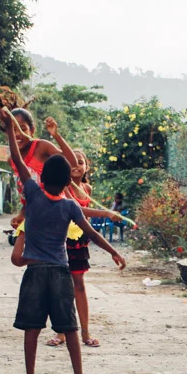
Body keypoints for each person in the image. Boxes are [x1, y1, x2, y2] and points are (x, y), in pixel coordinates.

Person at [0, 106, 125, 374]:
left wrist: (8, 130)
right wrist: (113, 252)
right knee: (69, 328)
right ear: (68, 183)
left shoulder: (31, 194)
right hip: (59, 272)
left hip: (34, 273)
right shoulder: (69, 205)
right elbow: (91, 232)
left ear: (40, 178)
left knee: (33, 328)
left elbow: (18, 159)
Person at [45, 145, 121, 349]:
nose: (76, 165)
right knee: (61, 287)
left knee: (79, 285)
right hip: (62, 239)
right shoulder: (64, 187)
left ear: (87, 167)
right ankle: (60, 332)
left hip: (79, 241)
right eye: (72, 161)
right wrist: (105, 213)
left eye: (80, 161)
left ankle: (85, 332)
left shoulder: (87, 189)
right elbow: (77, 209)